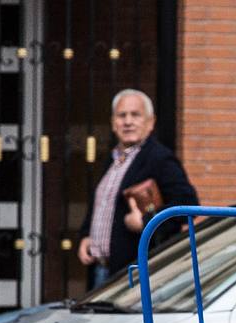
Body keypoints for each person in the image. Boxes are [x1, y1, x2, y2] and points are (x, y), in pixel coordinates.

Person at [76, 88, 197, 287]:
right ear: (113, 123)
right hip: (100, 269)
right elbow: (103, 204)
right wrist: (86, 235)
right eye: (122, 115)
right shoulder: (113, 159)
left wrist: (146, 221)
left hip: (135, 273)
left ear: (150, 123)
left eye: (135, 115)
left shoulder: (159, 158)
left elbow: (187, 204)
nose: (128, 121)